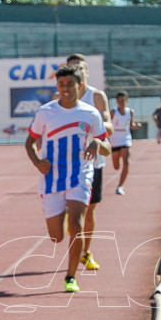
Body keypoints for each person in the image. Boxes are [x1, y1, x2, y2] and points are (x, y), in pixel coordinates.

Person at [24, 64, 108, 293]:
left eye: (70, 84)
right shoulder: (46, 112)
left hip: (80, 173)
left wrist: (98, 143)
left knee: (77, 224)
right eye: (61, 84)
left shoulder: (90, 114)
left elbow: (108, 147)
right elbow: (29, 142)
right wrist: (37, 162)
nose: (65, 88)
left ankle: (70, 277)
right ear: (57, 86)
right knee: (56, 236)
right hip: (52, 177)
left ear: (80, 86)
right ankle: (60, 216)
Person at [64, 53, 112, 272]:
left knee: (90, 211)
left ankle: (85, 253)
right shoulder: (62, 98)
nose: (77, 70)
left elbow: (109, 126)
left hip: (93, 162)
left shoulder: (96, 96)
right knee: (70, 212)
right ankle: (69, 218)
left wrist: (96, 131)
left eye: (80, 68)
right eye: (72, 67)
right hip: (67, 162)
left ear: (86, 72)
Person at [109, 91, 135, 195]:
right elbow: (108, 124)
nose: (121, 103)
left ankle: (120, 186)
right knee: (116, 166)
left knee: (126, 162)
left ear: (127, 101)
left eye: (123, 101)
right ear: (117, 101)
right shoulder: (113, 112)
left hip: (125, 138)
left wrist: (135, 126)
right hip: (115, 140)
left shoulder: (130, 112)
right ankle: (119, 153)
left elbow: (131, 125)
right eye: (119, 101)